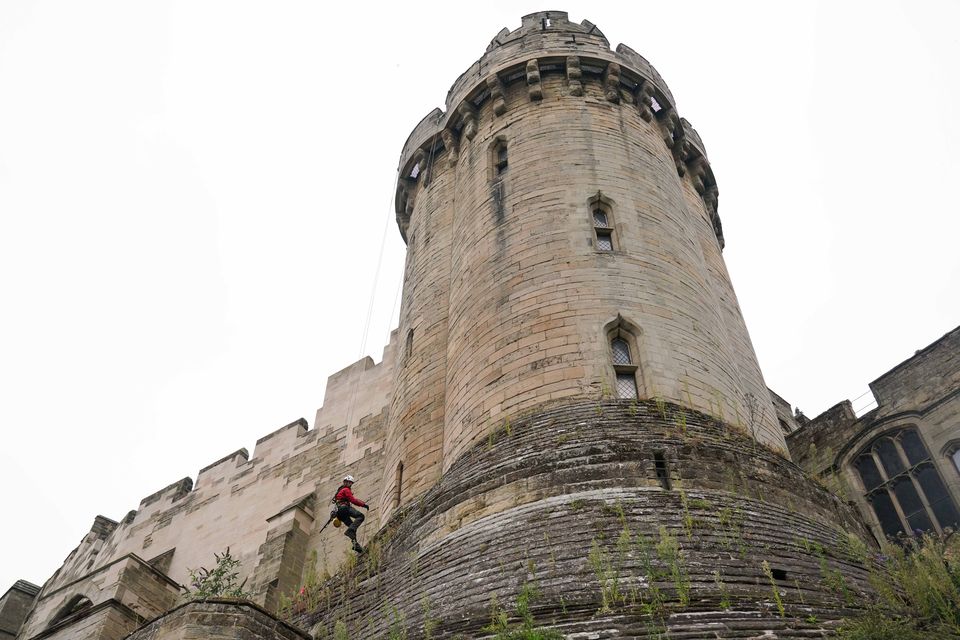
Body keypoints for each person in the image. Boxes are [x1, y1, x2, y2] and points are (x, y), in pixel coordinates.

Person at [333, 475, 369, 553]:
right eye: (349, 482)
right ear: (345, 482)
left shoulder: (339, 491)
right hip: (344, 508)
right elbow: (352, 500)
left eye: (351, 483)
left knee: (352, 527)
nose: (350, 484)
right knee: (360, 516)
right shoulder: (346, 490)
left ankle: (355, 545)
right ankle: (350, 533)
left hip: (340, 513)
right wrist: (363, 505)